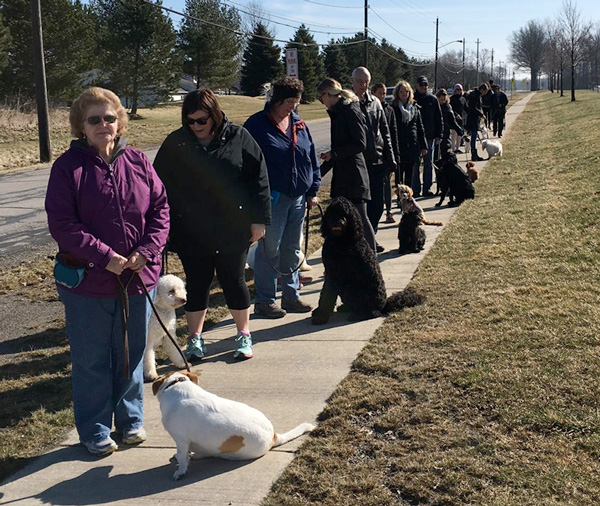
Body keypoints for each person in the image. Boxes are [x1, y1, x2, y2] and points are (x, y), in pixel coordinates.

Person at [45, 87, 170, 456]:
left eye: (109, 118)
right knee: (92, 361)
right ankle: (95, 428)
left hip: (136, 280)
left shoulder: (139, 161)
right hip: (89, 284)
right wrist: (105, 257)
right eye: (94, 119)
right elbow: (63, 224)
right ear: (80, 126)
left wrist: (147, 251)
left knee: (130, 355)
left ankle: (131, 421)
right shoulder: (67, 169)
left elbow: (160, 209)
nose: (104, 125)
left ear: (120, 121)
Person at [154, 89, 271, 362]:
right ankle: (194, 339)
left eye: (202, 120)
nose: (196, 126)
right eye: (190, 121)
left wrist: (259, 219)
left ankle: (243, 334)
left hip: (234, 226)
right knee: (196, 284)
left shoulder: (239, 137)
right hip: (191, 229)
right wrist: (162, 226)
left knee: (234, 280)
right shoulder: (177, 143)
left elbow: (260, 180)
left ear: (215, 116)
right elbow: (156, 185)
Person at [243, 77, 321, 319]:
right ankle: (265, 300)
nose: (292, 107)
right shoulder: (256, 125)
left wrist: (313, 189)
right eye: (289, 102)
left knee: (291, 248)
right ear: (276, 100)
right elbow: (244, 164)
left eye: (296, 102)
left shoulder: (299, 123)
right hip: (271, 200)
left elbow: (311, 157)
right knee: (269, 250)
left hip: (298, 198)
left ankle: (291, 295)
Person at [316, 78, 376, 251]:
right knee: (346, 222)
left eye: (321, 98)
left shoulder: (351, 110)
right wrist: (319, 173)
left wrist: (334, 154)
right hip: (342, 175)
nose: (322, 102)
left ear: (328, 94)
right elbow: (338, 148)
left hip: (355, 176)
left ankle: (371, 260)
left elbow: (360, 144)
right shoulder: (337, 112)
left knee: (361, 219)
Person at [351, 67, 397, 252]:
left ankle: (371, 237)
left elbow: (385, 133)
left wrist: (391, 158)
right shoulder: (348, 103)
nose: (363, 85)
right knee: (361, 209)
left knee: (377, 206)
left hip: (377, 161)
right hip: (358, 163)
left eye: (366, 82)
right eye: (359, 81)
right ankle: (363, 243)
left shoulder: (376, 103)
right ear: (352, 81)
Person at [390, 80, 428, 188]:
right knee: (399, 175)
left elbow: (420, 128)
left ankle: (408, 198)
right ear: (397, 93)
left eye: (406, 91)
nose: (404, 94)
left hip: (412, 146)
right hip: (398, 146)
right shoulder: (393, 108)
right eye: (401, 91)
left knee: (410, 175)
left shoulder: (415, 108)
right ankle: (399, 198)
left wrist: (424, 146)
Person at [371, 82, 400, 223]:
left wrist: (394, 154)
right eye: (380, 93)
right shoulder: (369, 108)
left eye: (384, 93)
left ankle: (389, 211)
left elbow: (392, 133)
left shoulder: (389, 110)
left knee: (387, 184)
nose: (382, 95)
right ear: (373, 93)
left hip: (386, 153)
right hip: (374, 154)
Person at [413, 75, 443, 197]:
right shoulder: (412, 99)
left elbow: (439, 118)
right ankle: (415, 190)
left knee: (428, 164)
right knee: (415, 164)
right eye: (421, 85)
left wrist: (439, 135)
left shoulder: (433, 99)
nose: (423, 87)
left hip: (430, 137)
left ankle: (427, 189)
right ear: (417, 86)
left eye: (425, 85)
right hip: (415, 138)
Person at [435, 88, 463, 157]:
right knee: (436, 156)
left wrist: (458, 130)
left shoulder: (447, 107)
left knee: (444, 155)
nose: (443, 101)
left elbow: (452, 121)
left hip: (445, 133)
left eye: (444, 100)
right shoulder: (434, 106)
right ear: (437, 98)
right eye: (441, 100)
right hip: (435, 134)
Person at [464, 84, 487, 161]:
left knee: (475, 137)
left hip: (474, 118)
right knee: (474, 137)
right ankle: (474, 155)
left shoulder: (477, 95)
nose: (485, 93)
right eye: (485, 91)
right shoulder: (475, 96)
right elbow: (473, 107)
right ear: (482, 89)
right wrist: (481, 115)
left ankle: (475, 154)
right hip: (473, 119)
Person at [449, 83, 467, 153]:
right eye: (457, 89)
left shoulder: (463, 98)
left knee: (460, 134)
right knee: (454, 134)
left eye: (460, 89)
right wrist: (456, 114)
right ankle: (453, 149)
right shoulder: (452, 99)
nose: (458, 91)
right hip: (453, 118)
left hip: (461, 118)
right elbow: (450, 109)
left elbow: (466, 108)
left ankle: (457, 147)